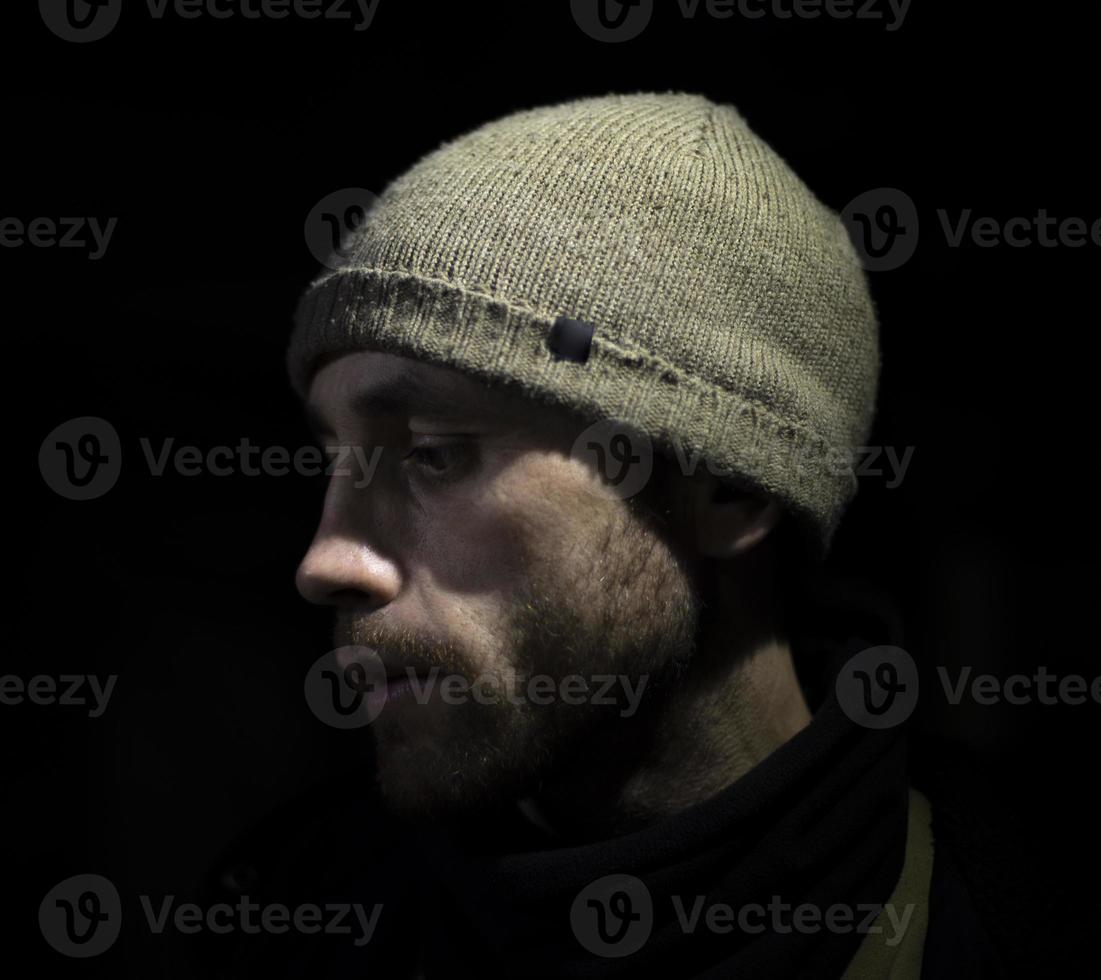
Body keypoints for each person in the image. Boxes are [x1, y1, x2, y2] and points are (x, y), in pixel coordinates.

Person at [193, 91, 1003, 979]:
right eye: (337, 458)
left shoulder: (1026, 923)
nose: (325, 561)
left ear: (728, 491)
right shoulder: (278, 920)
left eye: (432, 455)